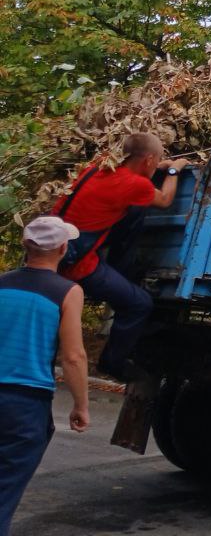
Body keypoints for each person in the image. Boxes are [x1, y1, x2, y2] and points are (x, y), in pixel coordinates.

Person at [54, 133, 189, 381]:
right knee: (139, 304)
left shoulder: (95, 168)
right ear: (148, 160)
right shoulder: (134, 186)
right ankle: (112, 363)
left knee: (135, 209)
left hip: (53, 252)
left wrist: (154, 165)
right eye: (157, 159)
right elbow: (166, 199)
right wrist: (173, 170)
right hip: (77, 264)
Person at [0, 216, 89, 536]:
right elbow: (73, 356)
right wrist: (81, 405)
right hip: (25, 405)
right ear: (63, 248)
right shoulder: (67, 292)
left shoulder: (1, 282)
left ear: (26, 245)